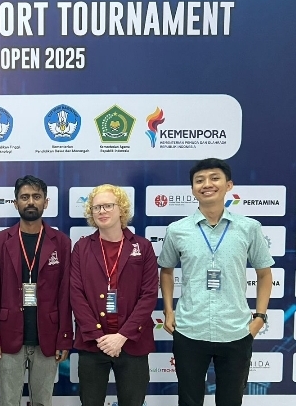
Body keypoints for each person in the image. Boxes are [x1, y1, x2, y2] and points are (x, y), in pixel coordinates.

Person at [159, 158, 273, 406]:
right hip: (190, 329)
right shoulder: (177, 230)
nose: (207, 184)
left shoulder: (249, 228)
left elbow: (264, 274)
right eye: (199, 180)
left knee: (230, 401)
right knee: (189, 401)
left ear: (229, 185)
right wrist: (168, 310)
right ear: (192, 189)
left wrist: (260, 317)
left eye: (214, 178)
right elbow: (166, 270)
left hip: (236, 330)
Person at [0, 175, 72, 406]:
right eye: (24, 197)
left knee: (42, 401)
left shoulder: (61, 242)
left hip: (48, 336)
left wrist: (64, 337)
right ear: (16, 203)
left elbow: (65, 294)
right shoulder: (0, 242)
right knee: (8, 401)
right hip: (8, 335)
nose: (30, 201)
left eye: (36, 196)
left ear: (45, 202)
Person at [70, 185, 158, 406]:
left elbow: (149, 295)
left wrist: (122, 336)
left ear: (121, 209)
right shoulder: (82, 247)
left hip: (132, 342)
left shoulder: (143, 247)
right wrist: (98, 336)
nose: (102, 211)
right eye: (96, 207)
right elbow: (76, 294)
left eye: (108, 205)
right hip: (93, 344)